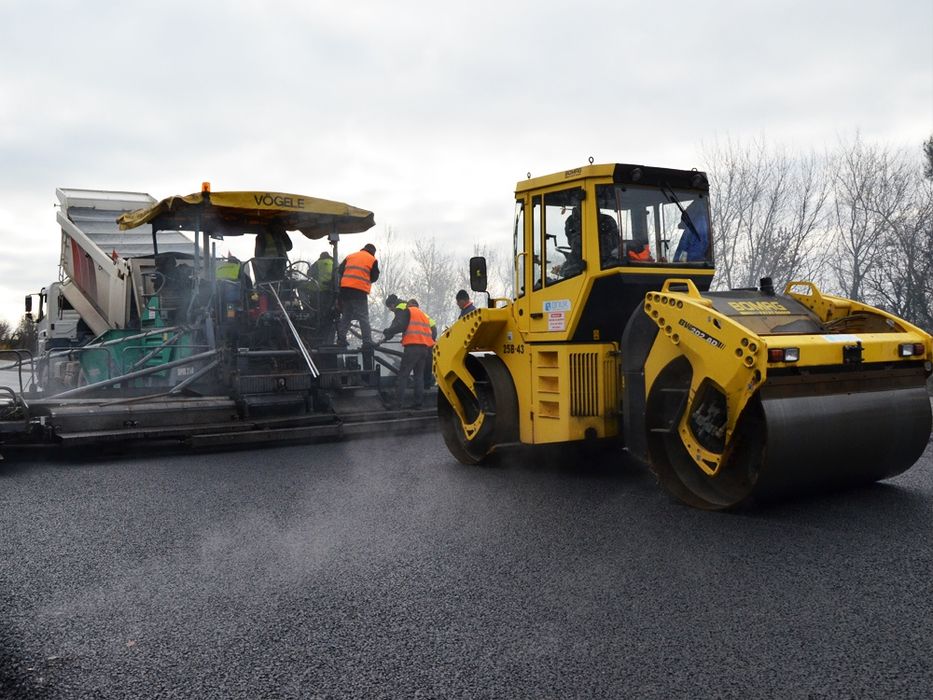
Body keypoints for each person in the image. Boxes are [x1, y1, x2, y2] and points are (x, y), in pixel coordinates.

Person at [382, 298, 435, 409]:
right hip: (424, 349)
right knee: (419, 377)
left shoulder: (409, 311)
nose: (405, 306)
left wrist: (388, 331)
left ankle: (397, 404)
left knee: (403, 375)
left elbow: (400, 326)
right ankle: (418, 404)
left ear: (410, 305)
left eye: (407, 305)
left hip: (412, 348)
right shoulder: (424, 315)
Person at [336, 243, 379, 346]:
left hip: (345, 291)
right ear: (373, 252)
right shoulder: (372, 259)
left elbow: (340, 270)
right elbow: (374, 277)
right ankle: (367, 341)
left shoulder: (350, 256)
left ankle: (341, 339)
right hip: (359, 291)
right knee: (363, 317)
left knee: (346, 315)